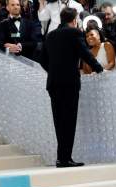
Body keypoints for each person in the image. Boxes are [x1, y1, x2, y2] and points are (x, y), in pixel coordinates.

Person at [41, 6, 103, 167]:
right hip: (69, 83)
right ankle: (65, 158)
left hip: (53, 82)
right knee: (69, 121)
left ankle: (61, 157)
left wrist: (54, 70)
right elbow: (85, 53)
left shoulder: (50, 35)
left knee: (59, 120)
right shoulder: (74, 33)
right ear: (74, 20)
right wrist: (99, 68)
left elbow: (41, 58)